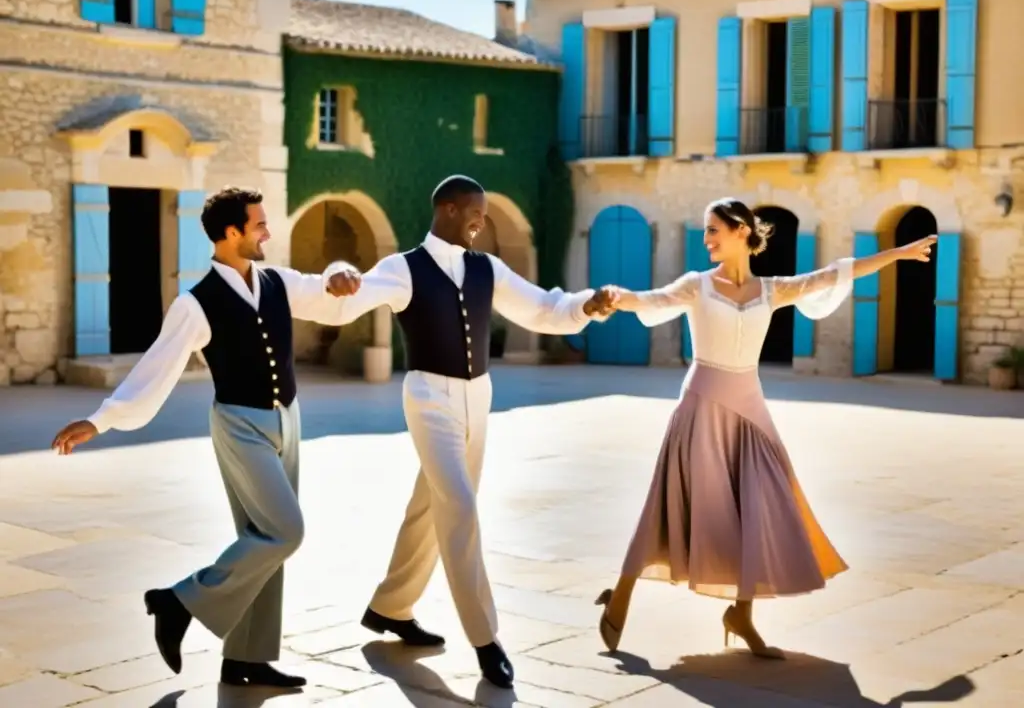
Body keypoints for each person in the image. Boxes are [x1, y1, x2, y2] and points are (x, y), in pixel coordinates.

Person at [50, 186, 368, 688]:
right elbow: (157, 368)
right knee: (286, 531)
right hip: (240, 425)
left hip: (289, 417)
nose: (267, 231)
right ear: (231, 232)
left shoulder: (279, 281)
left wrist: (338, 273)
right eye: (259, 224)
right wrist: (103, 419)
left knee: (263, 541)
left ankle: (247, 657)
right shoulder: (196, 304)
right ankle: (177, 601)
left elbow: (323, 287)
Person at [593, 197, 936, 659]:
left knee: (759, 506)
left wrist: (895, 254)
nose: (706, 239)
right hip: (700, 408)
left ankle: (742, 614)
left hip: (751, 411)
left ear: (740, 231)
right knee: (669, 507)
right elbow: (652, 301)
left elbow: (836, 273)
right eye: (705, 231)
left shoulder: (771, 290)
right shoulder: (697, 285)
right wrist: (617, 296)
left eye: (713, 230)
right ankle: (622, 595)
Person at [320, 175, 617, 688]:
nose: (484, 220)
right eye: (476, 211)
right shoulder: (403, 267)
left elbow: (541, 307)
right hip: (428, 397)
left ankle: (391, 605)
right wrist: (337, 272)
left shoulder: (488, 269)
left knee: (431, 504)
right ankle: (486, 639)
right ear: (450, 209)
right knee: (458, 504)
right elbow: (352, 290)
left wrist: (583, 306)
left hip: (479, 397)